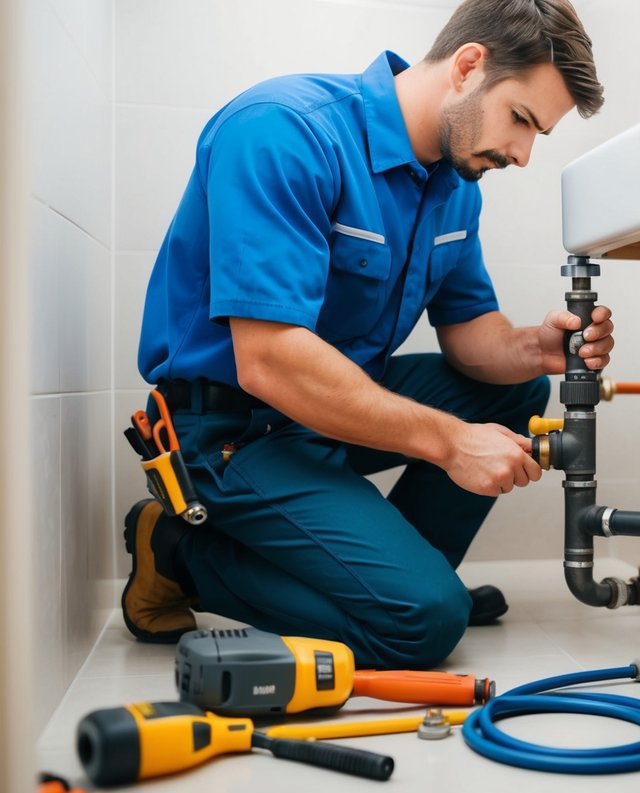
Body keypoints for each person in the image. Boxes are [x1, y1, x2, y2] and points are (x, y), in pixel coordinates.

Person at [122, 0, 611, 669]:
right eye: (520, 119)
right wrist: (449, 441)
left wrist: (535, 348)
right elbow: (268, 361)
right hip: (233, 429)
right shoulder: (284, 130)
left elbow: (469, 331)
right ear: (468, 67)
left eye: (537, 135)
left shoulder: (454, 185)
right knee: (422, 627)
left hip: (325, 416)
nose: (522, 154)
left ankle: (393, 578)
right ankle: (180, 554)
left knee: (514, 388)